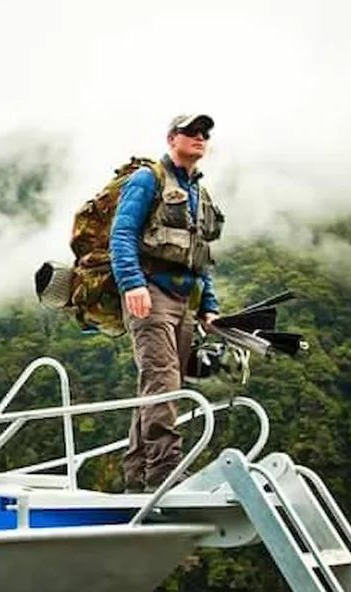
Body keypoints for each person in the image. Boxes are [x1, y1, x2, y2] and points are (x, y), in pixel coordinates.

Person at [110, 113, 225, 492]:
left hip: (185, 301)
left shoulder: (198, 193)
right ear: (172, 138)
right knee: (163, 382)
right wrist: (132, 284)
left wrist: (209, 304)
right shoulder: (148, 180)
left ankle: (138, 474)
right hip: (151, 294)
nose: (200, 137)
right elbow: (122, 233)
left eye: (204, 133)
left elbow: (199, 255)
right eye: (191, 132)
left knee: (157, 385)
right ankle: (166, 472)